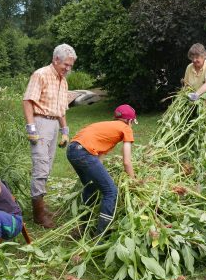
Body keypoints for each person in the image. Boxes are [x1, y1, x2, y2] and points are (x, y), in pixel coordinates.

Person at [23, 43, 77, 228]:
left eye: (71, 65)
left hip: (54, 124)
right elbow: (28, 101)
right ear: (56, 60)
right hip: (40, 123)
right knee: (41, 167)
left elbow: (61, 109)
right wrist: (31, 128)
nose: (68, 68)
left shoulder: (63, 80)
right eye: (66, 65)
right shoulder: (41, 74)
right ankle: (38, 215)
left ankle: (41, 206)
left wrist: (65, 130)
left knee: (48, 165)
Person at [66, 104, 136, 236]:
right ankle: (101, 235)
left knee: (91, 186)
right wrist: (133, 180)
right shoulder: (126, 128)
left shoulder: (106, 126)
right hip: (84, 153)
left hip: (72, 150)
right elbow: (126, 161)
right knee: (111, 191)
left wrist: (101, 175)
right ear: (130, 121)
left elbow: (98, 160)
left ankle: (83, 226)